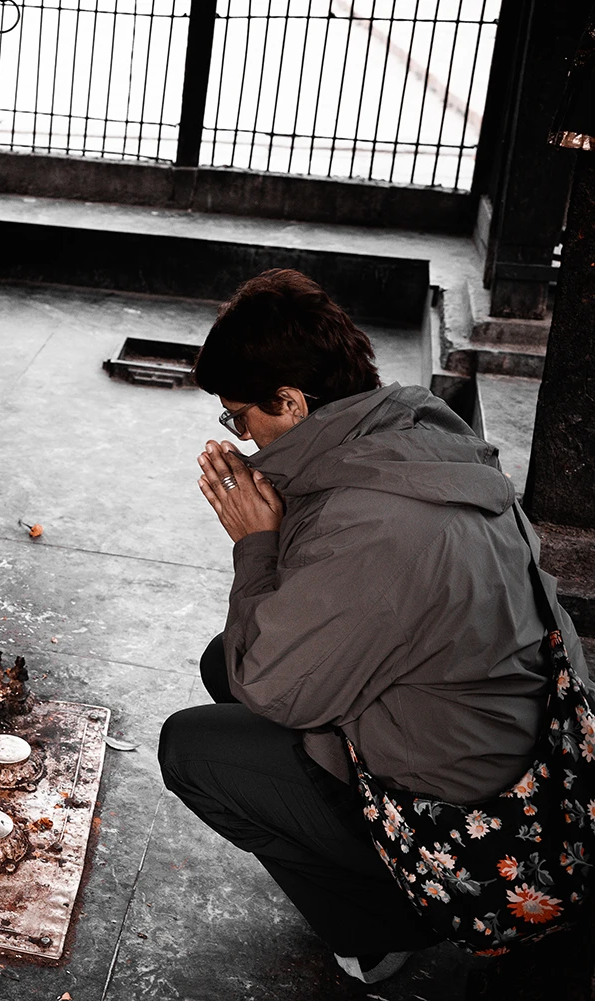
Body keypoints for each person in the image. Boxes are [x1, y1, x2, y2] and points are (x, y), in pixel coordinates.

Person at [158, 269, 589, 985]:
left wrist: (254, 543)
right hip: (520, 759)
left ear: (291, 402)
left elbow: (275, 685)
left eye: (240, 417)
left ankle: (383, 923)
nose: (237, 434)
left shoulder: (378, 525)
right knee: (221, 662)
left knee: (191, 747)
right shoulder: (407, 433)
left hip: (478, 839)